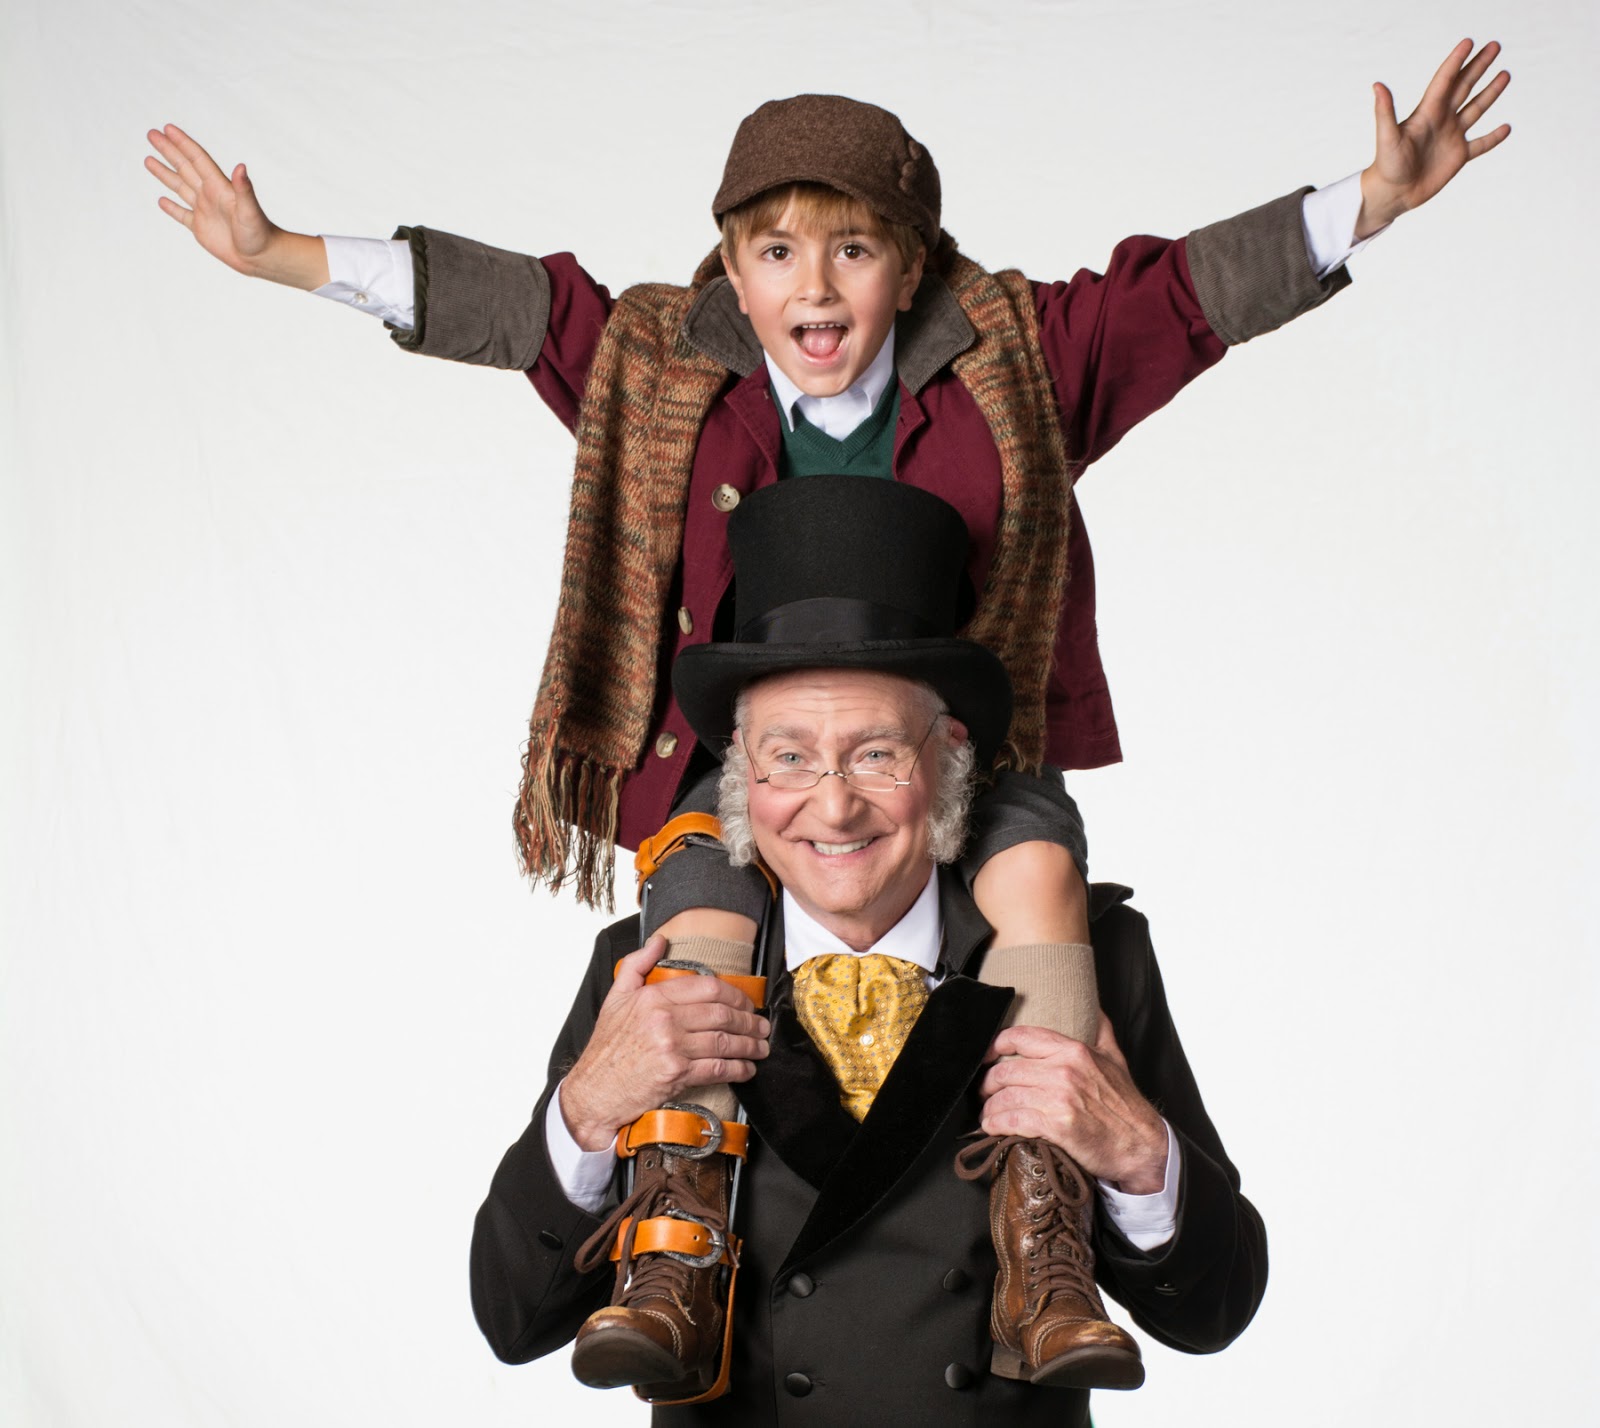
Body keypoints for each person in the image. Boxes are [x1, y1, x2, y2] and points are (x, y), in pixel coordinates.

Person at [468, 475, 1264, 1424]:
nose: (835, 805)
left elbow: (1214, 1310)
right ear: (740, 773)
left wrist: (1136, 1153)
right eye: (789, 757)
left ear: (949, 755)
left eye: (877, 753)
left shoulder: (1094, 956)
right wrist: (590, 1106)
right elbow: (515, 1319)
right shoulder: (646, 966)